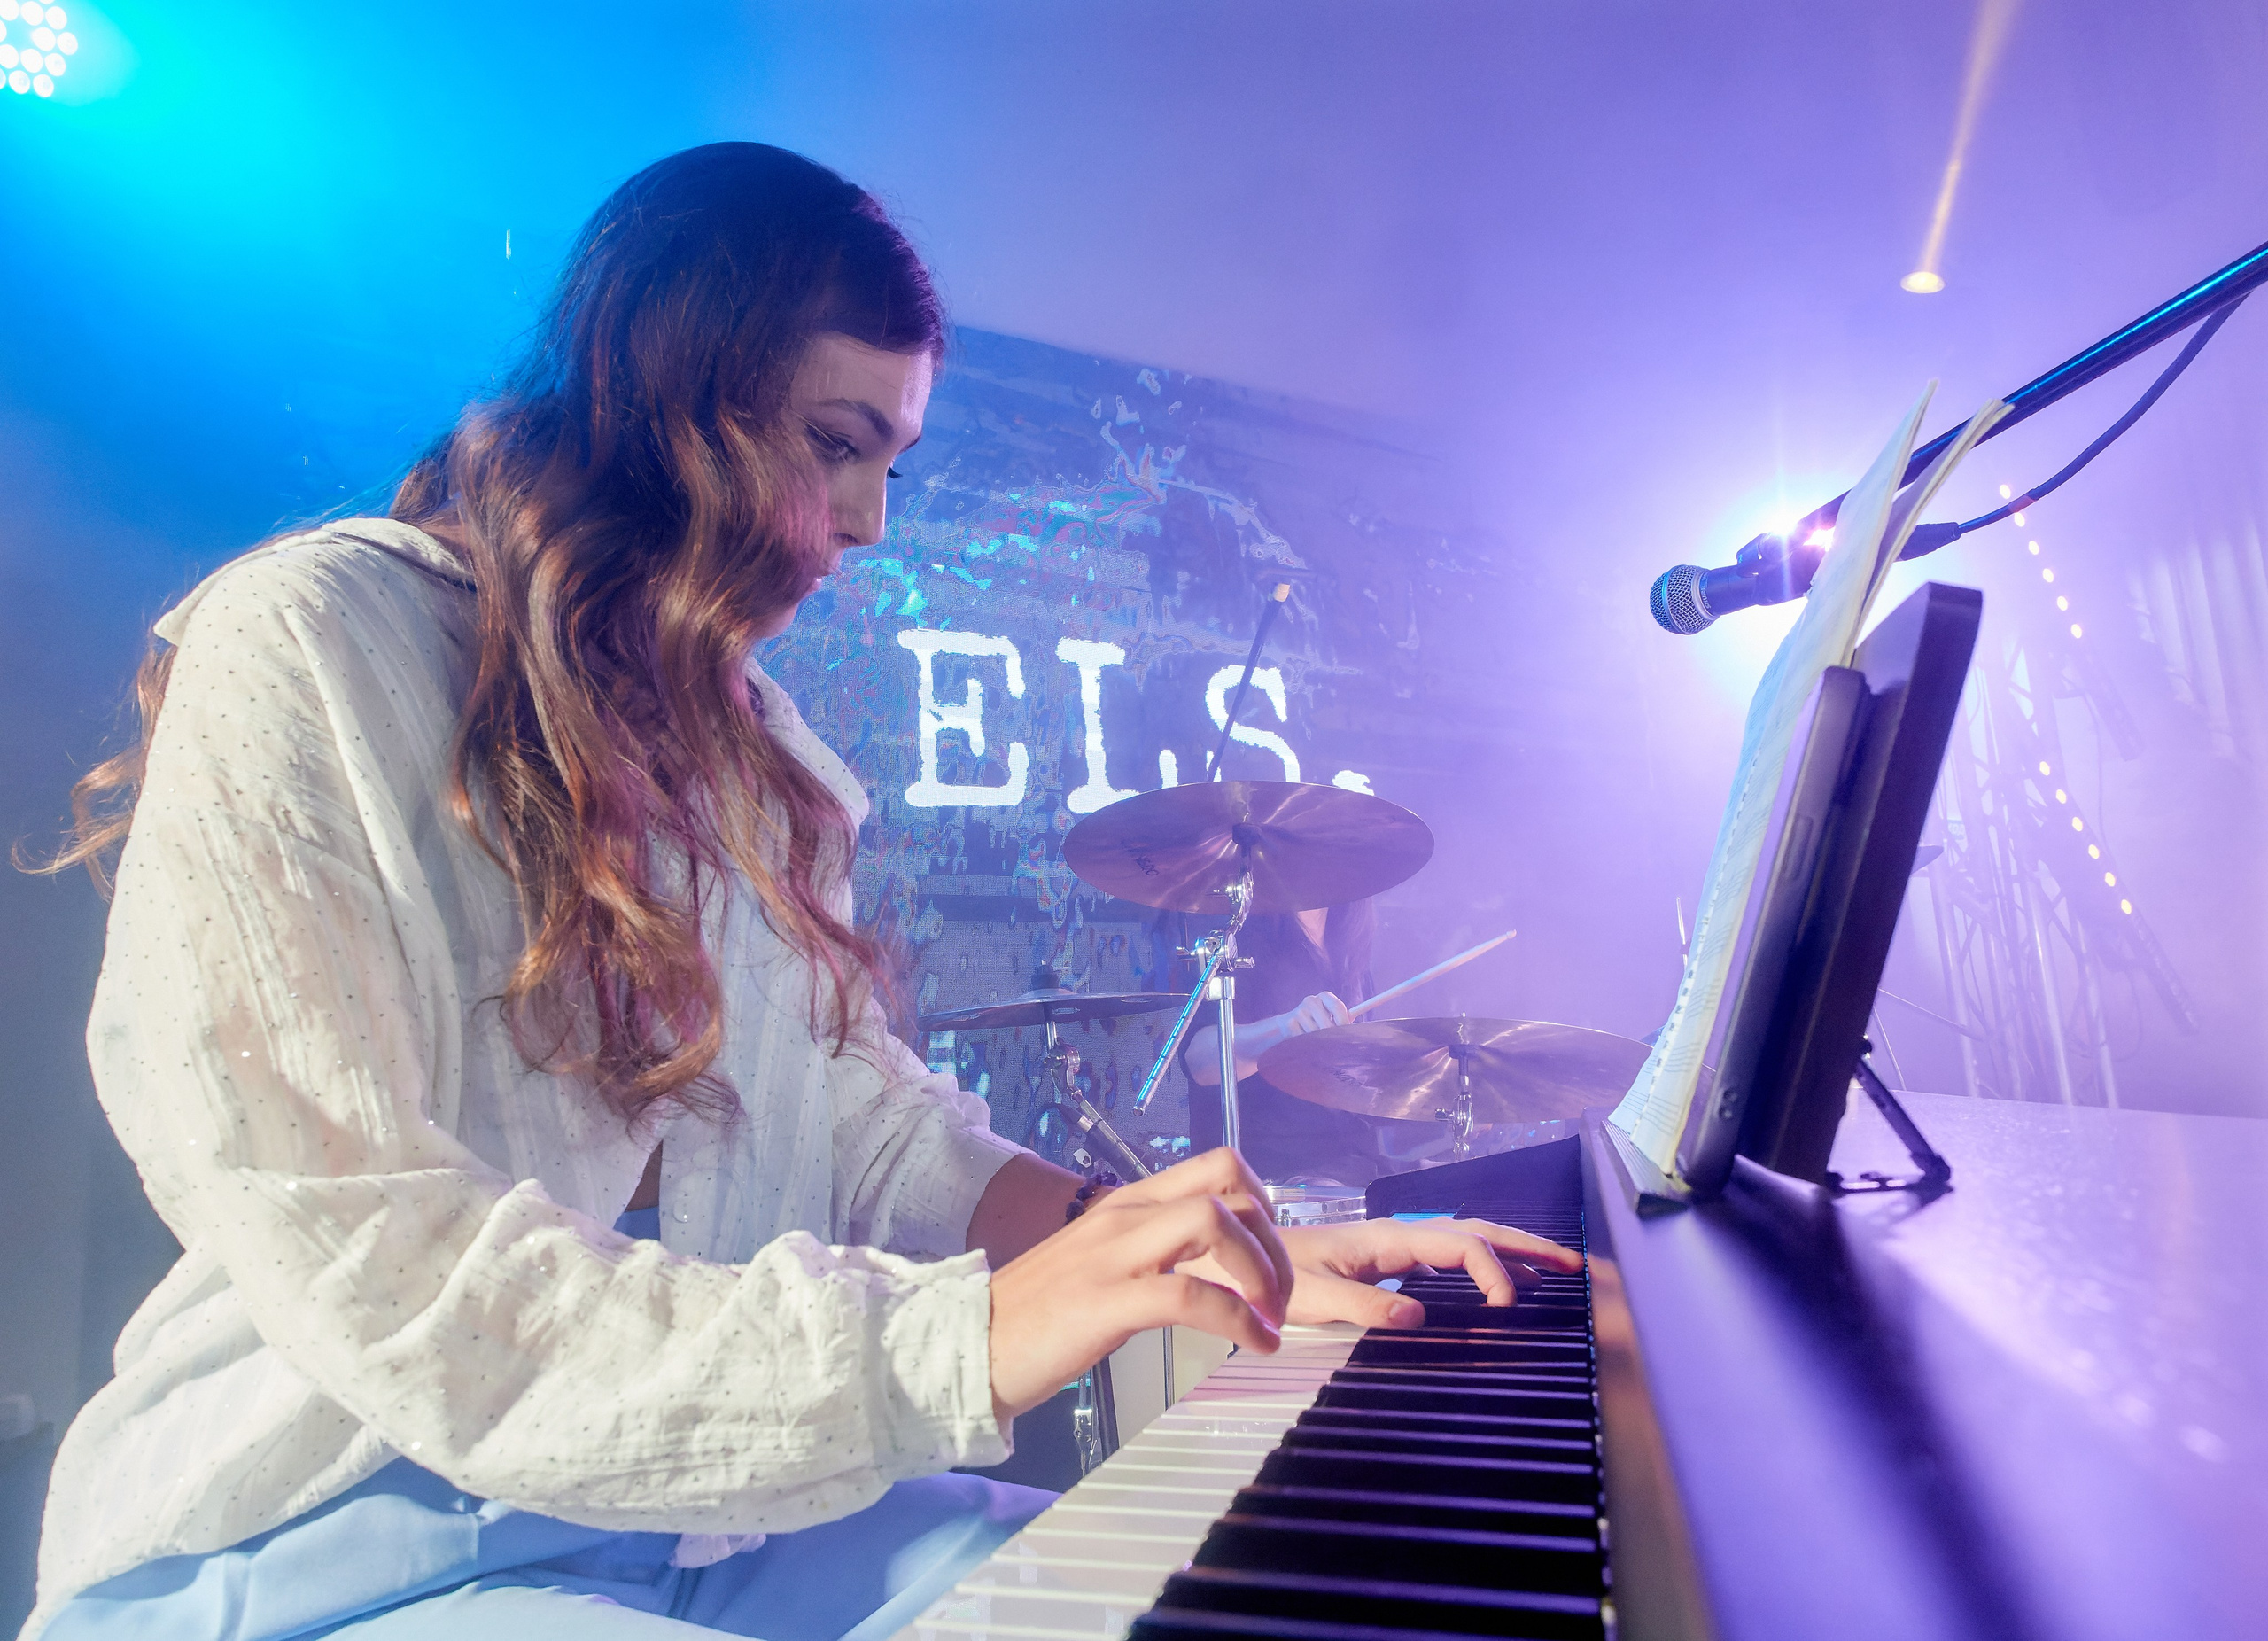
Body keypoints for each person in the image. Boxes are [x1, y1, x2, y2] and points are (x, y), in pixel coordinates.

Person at [22, 143, 1581, 1641]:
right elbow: (377, 1248)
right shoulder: (307, 641)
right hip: (319, 1547)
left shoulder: (759, 758)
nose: (869, 521)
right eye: (835, 444)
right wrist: (966, 1336)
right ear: (661, 395)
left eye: (893, 460)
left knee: (1235, 1601)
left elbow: (858, 1120)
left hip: (695, 1528)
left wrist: (1191, 1253)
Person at [1182, 901, 1386, 1184]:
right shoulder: (1237, 943)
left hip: (1354, 1163)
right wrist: (1284, 1029)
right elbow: (1200, 1061)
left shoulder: (1352, 961)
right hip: (1274, 1176)